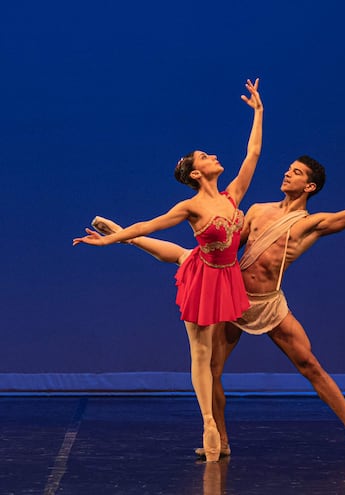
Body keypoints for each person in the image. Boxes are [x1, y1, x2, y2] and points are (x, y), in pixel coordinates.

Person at [90, 156, 345, 460]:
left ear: (310, 187)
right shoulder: (257, 211)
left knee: (310, 365)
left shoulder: (310, 223)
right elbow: (226, 245)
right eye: (289, 169)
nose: (288, 174)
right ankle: (222, 440)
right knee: (212, 368)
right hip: (233, 298)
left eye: (297, 173)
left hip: (268, 305)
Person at [73, 78, 263, 462]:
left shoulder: (232, 195)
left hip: (220, 272)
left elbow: (253, 154)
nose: (213, 156)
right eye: (205, 157)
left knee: (179, 255)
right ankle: (208, 422)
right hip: (204, 276)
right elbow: (151, 224)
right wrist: (111, 241)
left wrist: (259, 111)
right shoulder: (190, 206)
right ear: (196, 173)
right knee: (200, 351)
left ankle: (119, 234)